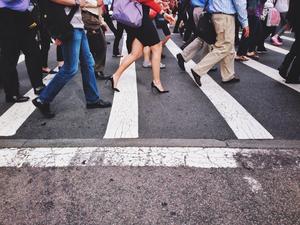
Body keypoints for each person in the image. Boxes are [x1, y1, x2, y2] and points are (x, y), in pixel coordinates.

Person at [32, 0, 111, 118]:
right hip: (69, 27)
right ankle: (43, 99)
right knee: (70, 68)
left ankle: (92, 99)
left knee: (88, 63)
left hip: (78, 26)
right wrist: (77, 2)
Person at [108, 0, 175, 94]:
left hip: (134, 17)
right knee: (157, 46)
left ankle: (115, 76)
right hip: (140, 18)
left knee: (136, 53)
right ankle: (157, 82)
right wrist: (162, 12)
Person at [188, 0, 249, 86]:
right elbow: (239, 2)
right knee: (224, 46)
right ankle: (198, 70)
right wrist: (244, 22)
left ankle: (228, 75)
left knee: (228, 46)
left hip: (216, 14)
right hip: (225, 15)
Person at [0, 0, 45, 103]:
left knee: (34, 52)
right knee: (9, 56)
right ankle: (12, 94)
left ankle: (38, 85)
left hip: (23, 15)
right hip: (6, 15)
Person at [82, 0, 108, 79]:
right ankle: (97, 70)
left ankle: (93, 69)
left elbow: (99, 6)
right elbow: (81, 2)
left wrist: (102, 21)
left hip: (93, 17)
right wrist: (96, 4)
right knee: (102, 46)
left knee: (92, 45)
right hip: (89, 16)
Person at [278, 0, 299, 84]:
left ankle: (284, 66)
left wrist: (290, 21)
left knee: (297, 45)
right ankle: (293, 76)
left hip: (297, 20)